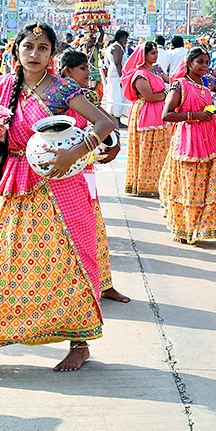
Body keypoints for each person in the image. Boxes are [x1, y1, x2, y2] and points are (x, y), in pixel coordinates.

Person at [0, 22, 117, 379]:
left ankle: (79, 344)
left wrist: (77, 152)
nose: (34, 54)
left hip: (59, 186)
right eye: (28, 47)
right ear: (15, 50)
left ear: (52, 54)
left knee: (67, 263)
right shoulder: (3, 86)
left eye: (42, 48)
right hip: (14, 184)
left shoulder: (63, 89)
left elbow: (105, 122)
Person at [58, 49, 130, 304]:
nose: (89, 72)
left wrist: (116, 140)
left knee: (93, 226)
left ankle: (102, 283)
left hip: (84, 170)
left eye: (88, 67)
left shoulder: (85, 95)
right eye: (83, 68)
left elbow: (106, 120)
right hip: (60, 173)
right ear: (68, 71)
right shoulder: (54, 97)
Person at [160, 46, 216, 244]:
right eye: (199, 62)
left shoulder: (207, 81)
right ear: (189, 63)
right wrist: (194, 116)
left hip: (210, 137)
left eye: (206, 62)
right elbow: (167, 115)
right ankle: (186, 227)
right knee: (191, 184)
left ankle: (213, 225)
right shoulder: (180, 85)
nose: (204, 66)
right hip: (189, 138)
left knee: (214, 182)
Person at [122, 41, 170, 197]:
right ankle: (145, 185)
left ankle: (160, 184)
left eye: (156, 53)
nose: (155, 56)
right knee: (147, 149)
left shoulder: (156, 69)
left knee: (160, 150)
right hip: (146, 113)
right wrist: (166, 95)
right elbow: (150, 96)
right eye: (152, 53)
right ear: (144, 55)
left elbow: (169, 80)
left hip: (160, 112)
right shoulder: (140, 74)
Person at [103, 29, 130, 124]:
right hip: (116, 75)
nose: (126, 40)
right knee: (117, 97)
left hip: (114, 74)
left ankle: (116, 119)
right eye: (125, 38)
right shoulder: (117, 48)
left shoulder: (113, 46)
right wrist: (122, 79)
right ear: (121, 37)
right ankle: (117, 120)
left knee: (114, 96)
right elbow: (118, 64)